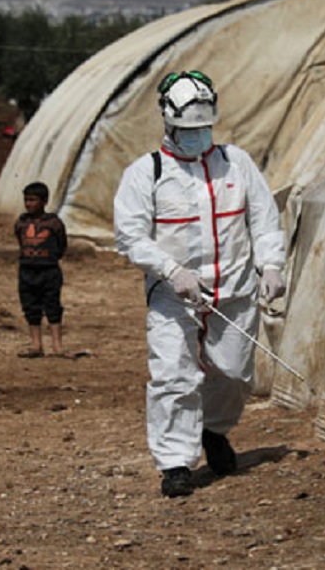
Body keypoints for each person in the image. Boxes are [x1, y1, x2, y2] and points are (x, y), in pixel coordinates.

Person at [113, 70, 287, 498]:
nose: (197, 137)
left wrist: (271, 264)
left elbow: (263, 217)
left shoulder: (236, 163)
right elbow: (130, 236)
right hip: (174, 295)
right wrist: (172, 271)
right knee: (173, 375)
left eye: (203, 128)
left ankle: (213, 430)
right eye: (188, 130)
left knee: (234, 373)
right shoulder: (146, 173)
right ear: (168, 124)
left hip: (235, 288)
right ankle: (175, 463)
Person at [14, 181, 67, 358]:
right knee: (30, 307)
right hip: (27, 271)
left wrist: (49, 259)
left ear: (44, 202)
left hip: (49, 271)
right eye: (26, 200)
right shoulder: (21, 222)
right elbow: (20, 241)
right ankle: (36, 345)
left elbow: (61, 245)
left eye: (33, 200)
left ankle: (57, 347)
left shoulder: (53, 223)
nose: (28, 204)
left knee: (53, 306)